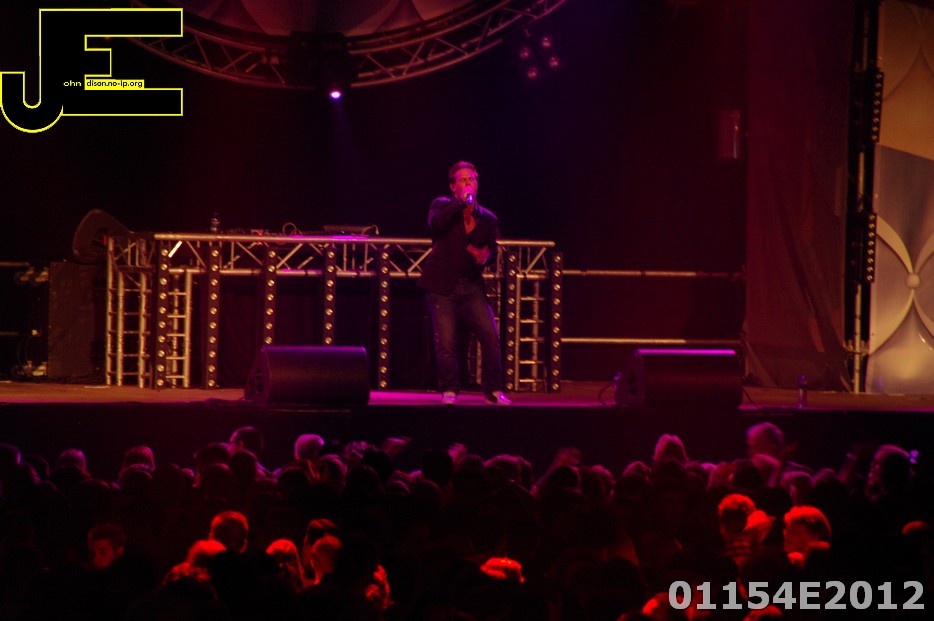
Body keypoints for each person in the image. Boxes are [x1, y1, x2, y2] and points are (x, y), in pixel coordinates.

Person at [417, 160, 510, 405]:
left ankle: (493, 390)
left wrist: (485, 257)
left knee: (490, 335)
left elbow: (491, 250)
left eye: (472, 179)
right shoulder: (442, 206)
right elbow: (436, 224)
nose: (469, 183)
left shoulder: (487, 218)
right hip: (442, 285)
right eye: (463, 180)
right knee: (447, 341)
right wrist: (461, 203)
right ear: (453, 186)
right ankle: (449, 389)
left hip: (471, 286)